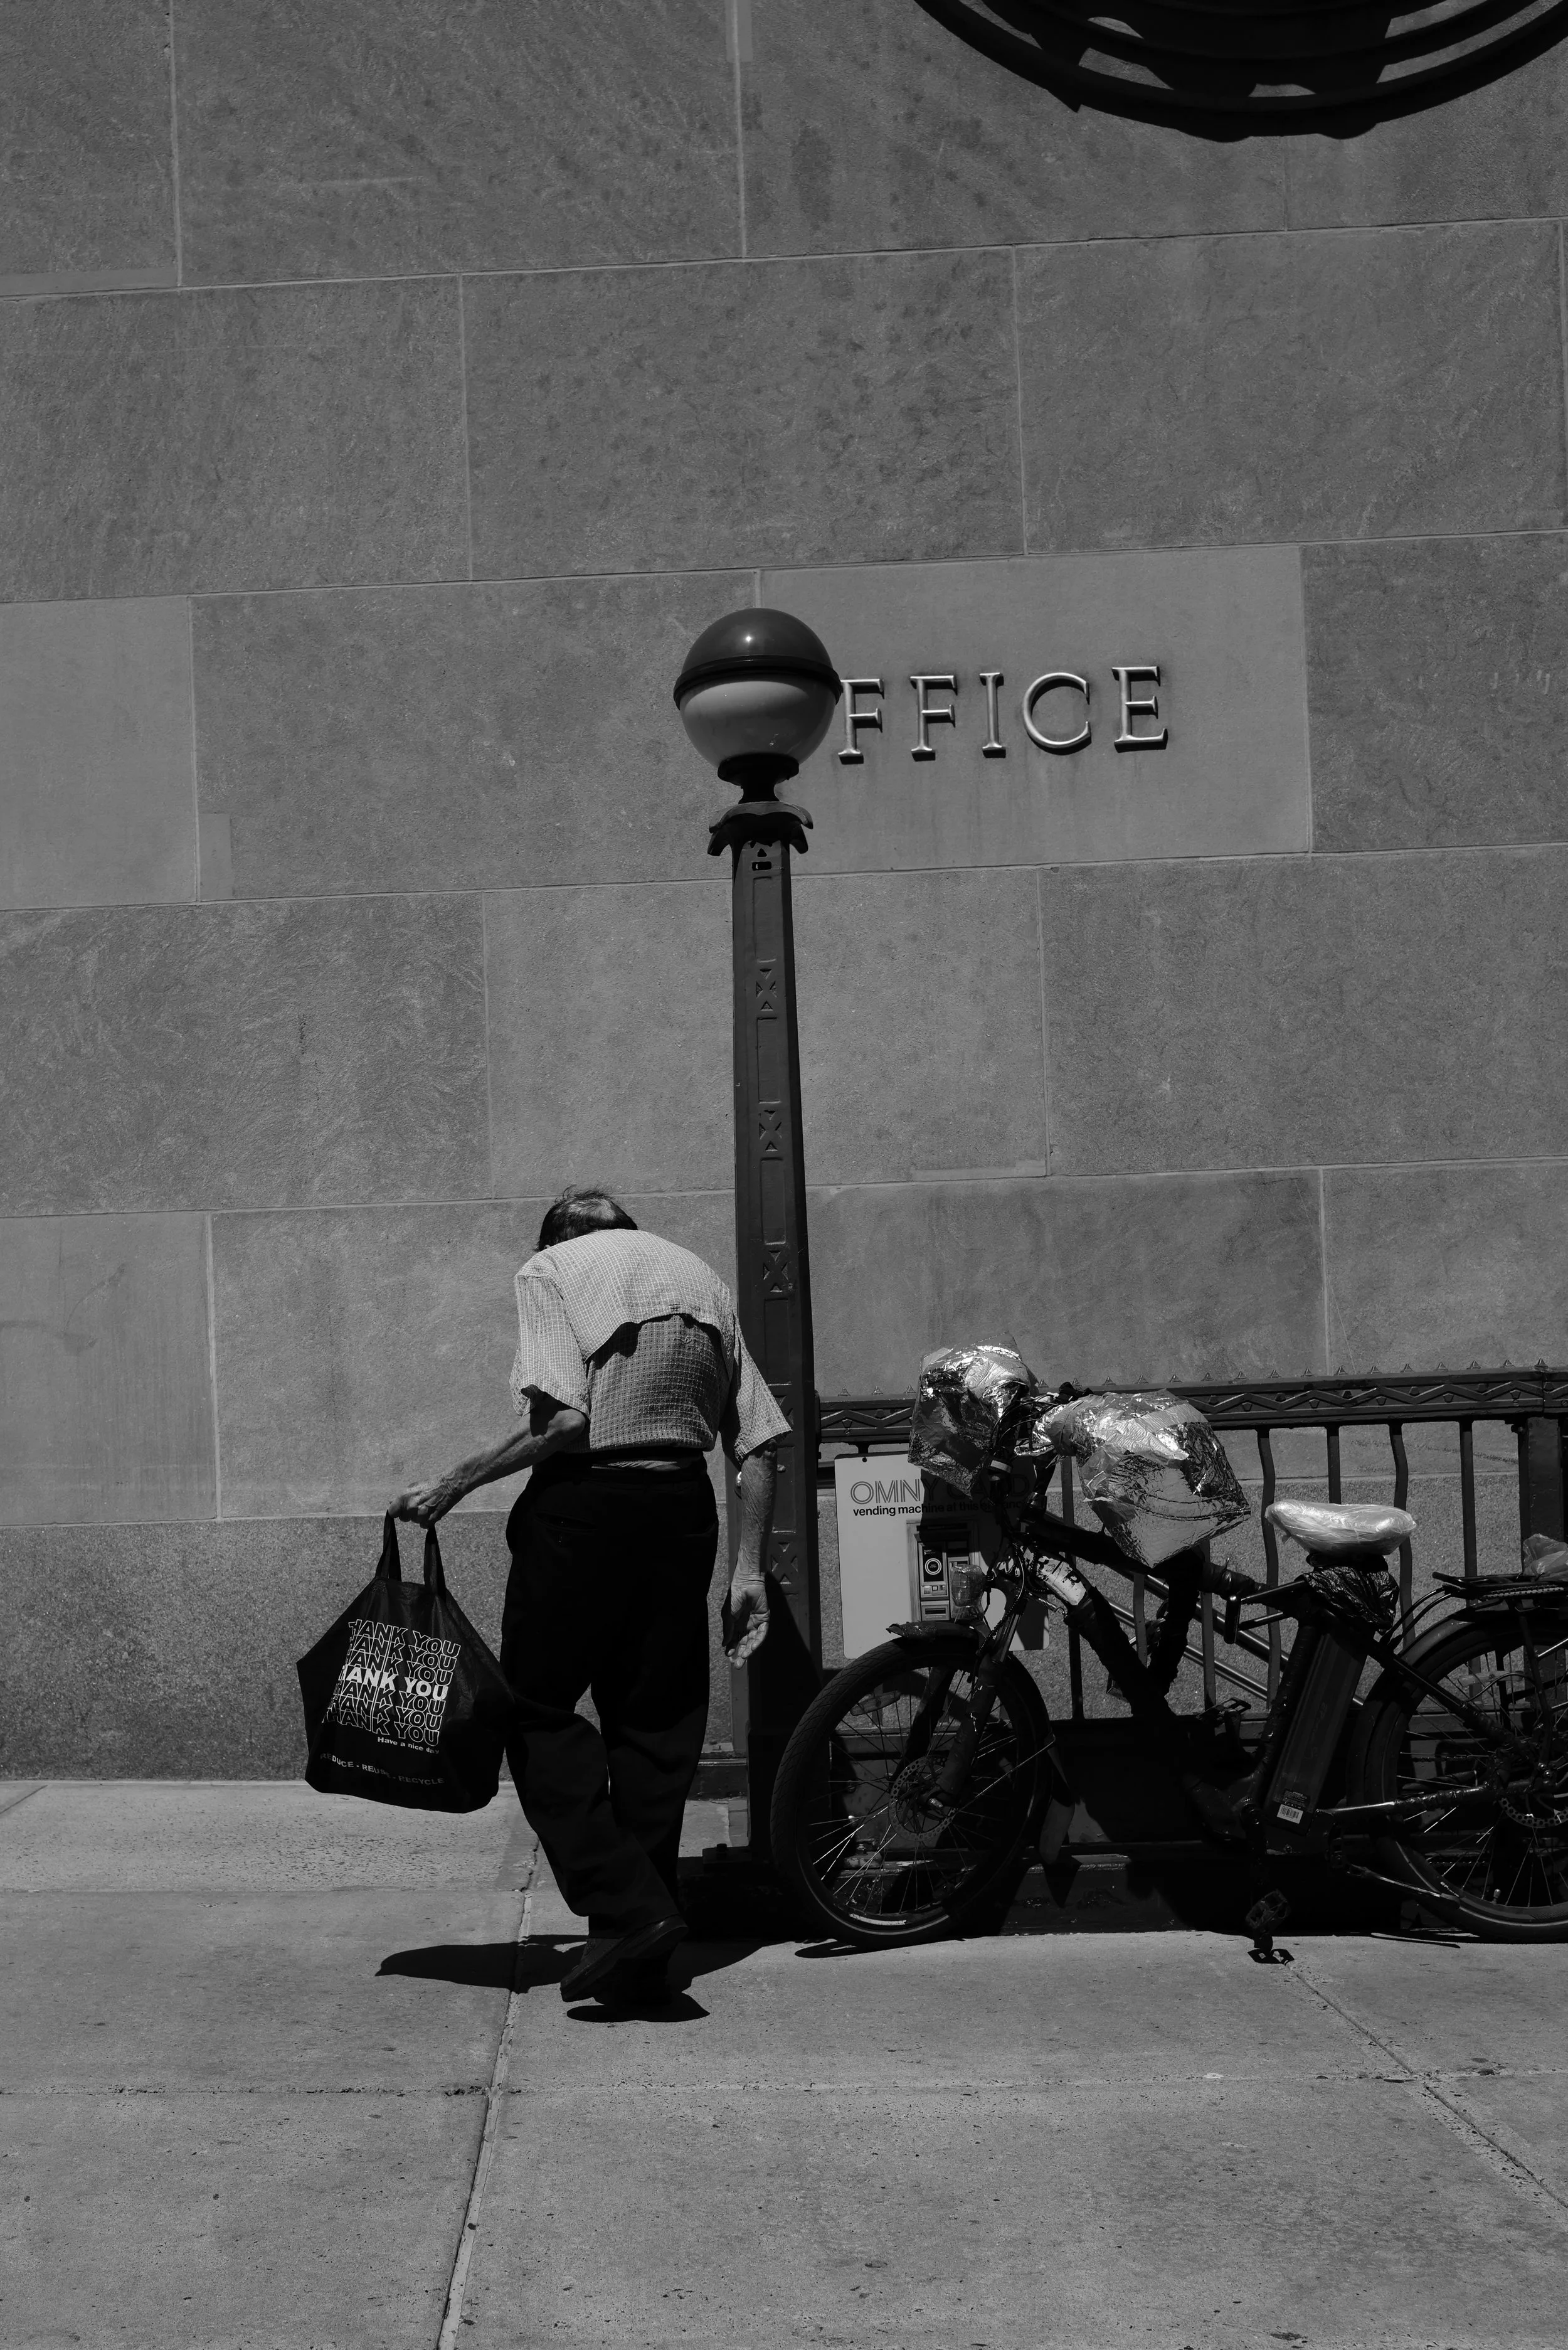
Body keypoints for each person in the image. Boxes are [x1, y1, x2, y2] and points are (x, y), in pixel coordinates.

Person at [392, 1186, 788, 2006]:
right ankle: (634, 1949)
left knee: (531, 1708)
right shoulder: (700, 1278)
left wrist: (455, 1482)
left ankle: (628, 1904)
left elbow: (564, 1421)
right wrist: (748, 1571)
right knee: (656, 1724)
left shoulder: (550, 1269)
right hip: (682, 1509)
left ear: (558, 1238)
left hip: (586, 1508)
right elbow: (759, 1442)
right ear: (628, 1231)